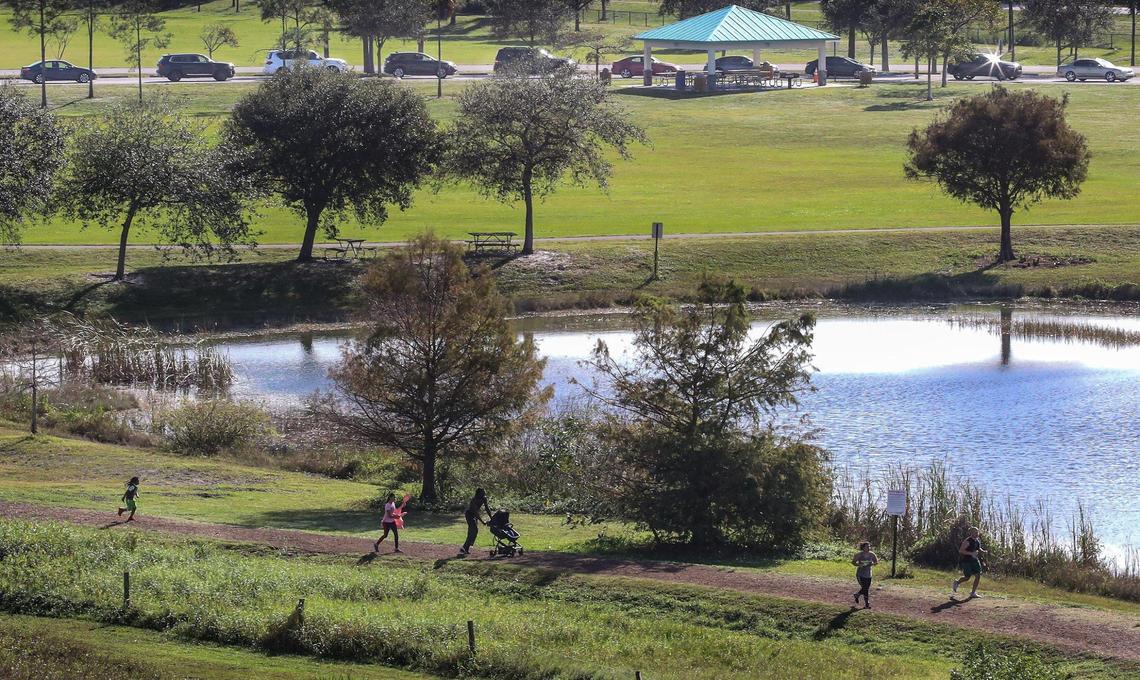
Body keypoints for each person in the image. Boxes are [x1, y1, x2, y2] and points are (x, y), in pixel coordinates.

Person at [951, 526, 987, 599]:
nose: (977, 534)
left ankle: (973, 593)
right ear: (971, 533)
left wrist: (983, 551)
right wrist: (971, 553)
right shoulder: (967, 541)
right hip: (967, 561)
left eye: (978, 532)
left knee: (978, 575)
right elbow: (961, 551)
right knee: (967, 577)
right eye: (975, 532)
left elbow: (978, 548)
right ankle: (957, 582)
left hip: (975, 561)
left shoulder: (977, 541)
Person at [459, 488, 491, 557]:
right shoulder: (474, 500)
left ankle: (465, 548)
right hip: (469, 514)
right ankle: (464, 548)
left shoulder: (484, 498)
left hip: (474, 515)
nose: (484, 493)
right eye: (483, 492)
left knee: (472, 531)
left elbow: (487, 508)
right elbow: (476, 513)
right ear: (479, 493)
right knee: (474, 530)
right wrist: (482, 522)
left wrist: (492, 518)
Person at [851, 541, 879, 608]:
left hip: (869, 574)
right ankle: (867, 604)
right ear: (863, 548)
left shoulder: (872, 554)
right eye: (867, 547)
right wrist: (859, 564)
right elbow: (853, 562)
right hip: (860, 574)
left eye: (869, 546)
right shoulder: (859, 554)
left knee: (866, 588)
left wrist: (872, 563)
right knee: (865, 589)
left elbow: (876, 562)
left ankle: (857, 595)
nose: (869, 548)